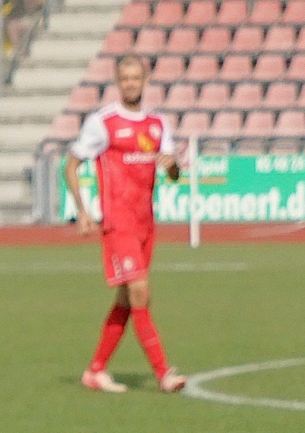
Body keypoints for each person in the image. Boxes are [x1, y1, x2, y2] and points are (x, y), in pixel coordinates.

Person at [64, 53, 186, 395]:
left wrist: (172, 166)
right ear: (118, 82)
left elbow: (174, 174)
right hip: (119, 223)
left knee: (127, 299)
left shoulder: (158, 124)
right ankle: (164, 373)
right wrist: (83, 211)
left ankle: (95, 370)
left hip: (146, 222)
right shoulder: (103, 122)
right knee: (140, 292)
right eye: (125, 79)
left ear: (145, 80)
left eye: (136, 78)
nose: (131, 84)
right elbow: (71, 166)